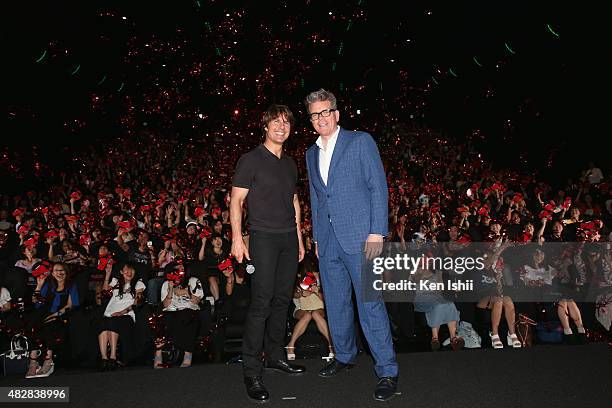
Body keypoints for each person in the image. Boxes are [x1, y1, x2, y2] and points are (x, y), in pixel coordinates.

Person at [304, 89, 399, 402]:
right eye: (314, 114)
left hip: (361, 238)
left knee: (370, 304)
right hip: (328, 242)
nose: (320, 118)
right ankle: (344, 356)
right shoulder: (310, 153)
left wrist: (376, 231)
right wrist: (317, 237)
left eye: (325, 112)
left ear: (336, 113)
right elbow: (319, 199)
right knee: (336, 303)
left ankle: (386, 369)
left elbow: (377, 186)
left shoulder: (360, 141)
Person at [230, 104, 305, 403]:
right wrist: (237, 237)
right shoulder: (250, 160)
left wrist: (299, 239)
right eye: (275, 121)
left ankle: (275, 356)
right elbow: (236, 201)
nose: (281, 127)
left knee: (282, 301)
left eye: (286, 122)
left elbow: (295, 202)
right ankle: (252, 370)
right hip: (262, 239)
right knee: (261, 303)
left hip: (288, 238)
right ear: (265, 126)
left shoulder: (290, 164)